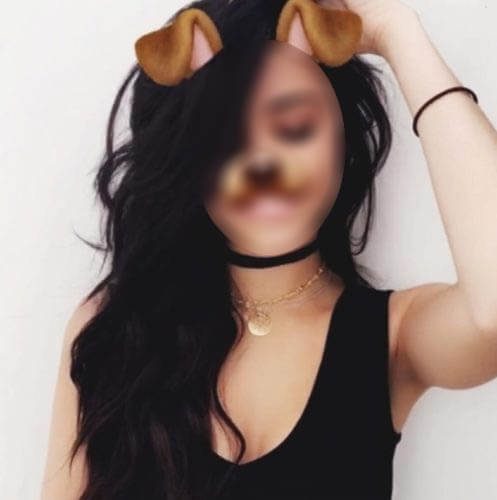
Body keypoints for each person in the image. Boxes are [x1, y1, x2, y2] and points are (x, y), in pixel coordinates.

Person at [40, 0, 497, 499]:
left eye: (295, 126)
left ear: (342, 138)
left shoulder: (391, 337)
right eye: (226, 137)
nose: (262, 163)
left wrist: (397, 31)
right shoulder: (112, 331)